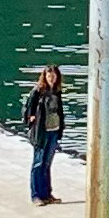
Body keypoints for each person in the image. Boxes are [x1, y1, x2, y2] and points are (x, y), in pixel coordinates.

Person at [24, 65, 69, 205]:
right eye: (49, 76)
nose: (52, 78)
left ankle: (47, 194)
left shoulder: (56, 92)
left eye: (54, 76)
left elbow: (59, 111)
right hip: (41, 133)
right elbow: (27, 110)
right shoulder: (37, 91)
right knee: (38, 163)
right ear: (45, 76)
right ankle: (36, 195)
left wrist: (61, 127)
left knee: (47, 164)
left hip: (53, 131)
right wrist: (31, 121)